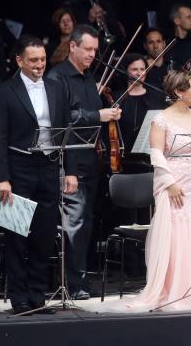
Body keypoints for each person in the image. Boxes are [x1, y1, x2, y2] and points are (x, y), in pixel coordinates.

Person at [100, 70, 191, 312]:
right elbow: (156, 154)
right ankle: (176, 290)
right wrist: (170, 183)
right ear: (179, 92)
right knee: (178, 235)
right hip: (174, 184)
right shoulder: (162, 120)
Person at [0, 35, 76, 315]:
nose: (39, 65)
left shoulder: (56, 87)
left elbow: (65, 132)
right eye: (33, 60)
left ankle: (38, 296)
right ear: (19, 61)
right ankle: (19, 298)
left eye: (42, 59)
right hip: (18, 167)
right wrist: (1, 177)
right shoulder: (5, 91)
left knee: (43, 234)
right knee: (16, 235)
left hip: (48, 166)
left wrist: (70, 170)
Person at [47, 24, 122, 299]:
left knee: (85, 223)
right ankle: (72, 283)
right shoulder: (57, 78)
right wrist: (98, 116)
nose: (92, 55)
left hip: (92, 161)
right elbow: (61, 121)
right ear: (73, 47)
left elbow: (89, 115)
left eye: (95, 50)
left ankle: (79, 279)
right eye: (88, 49)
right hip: (71, 163)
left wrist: (106, 114)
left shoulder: (88, 78)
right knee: (74, 224)